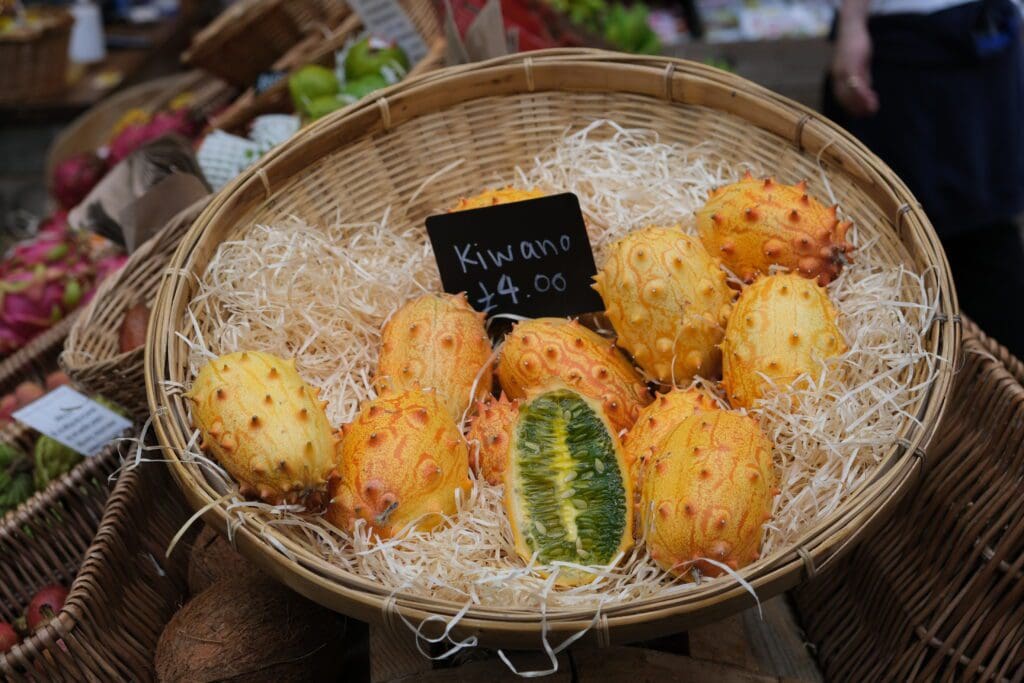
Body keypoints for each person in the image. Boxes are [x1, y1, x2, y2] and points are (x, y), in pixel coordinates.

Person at [825, 0, 1024, 357]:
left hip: (924, 48)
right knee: (942, 243)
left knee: (912, 244)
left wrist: (853, 22)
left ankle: (990, 390)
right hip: (960, 37)